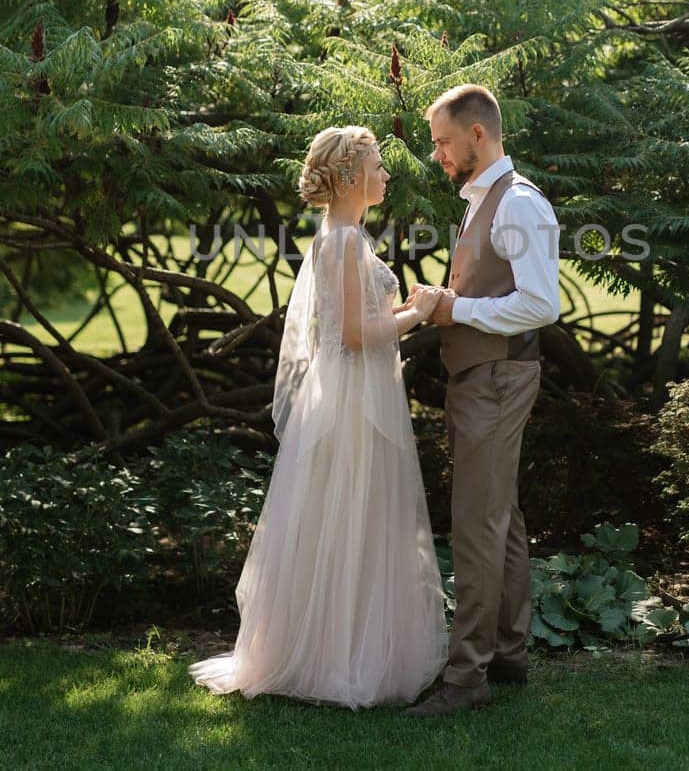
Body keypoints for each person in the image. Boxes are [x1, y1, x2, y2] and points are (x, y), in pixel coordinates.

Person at [188, 125, 449, 709]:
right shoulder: (346, 242)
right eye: (379, 165)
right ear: (352, 175)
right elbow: (355, 337)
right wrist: (421, 313)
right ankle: (340, 660)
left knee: (348, 517)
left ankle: (340, 646)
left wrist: (399, 310)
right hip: (352, 399)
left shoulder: (342, 236)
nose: (385, 174)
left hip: (348, 392)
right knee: (351, 514)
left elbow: (348, 325)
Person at [406, 84, 561, 717]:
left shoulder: (518, 203)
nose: (437, 154)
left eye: (444, 142)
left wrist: (453, 307)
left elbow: (540, 304)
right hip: (484, 377)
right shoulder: (481, 199)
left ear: (478, 134)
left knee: (477, 523)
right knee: (502, 517)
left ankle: (466, 678)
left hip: (496, 380)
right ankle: (507, 653)